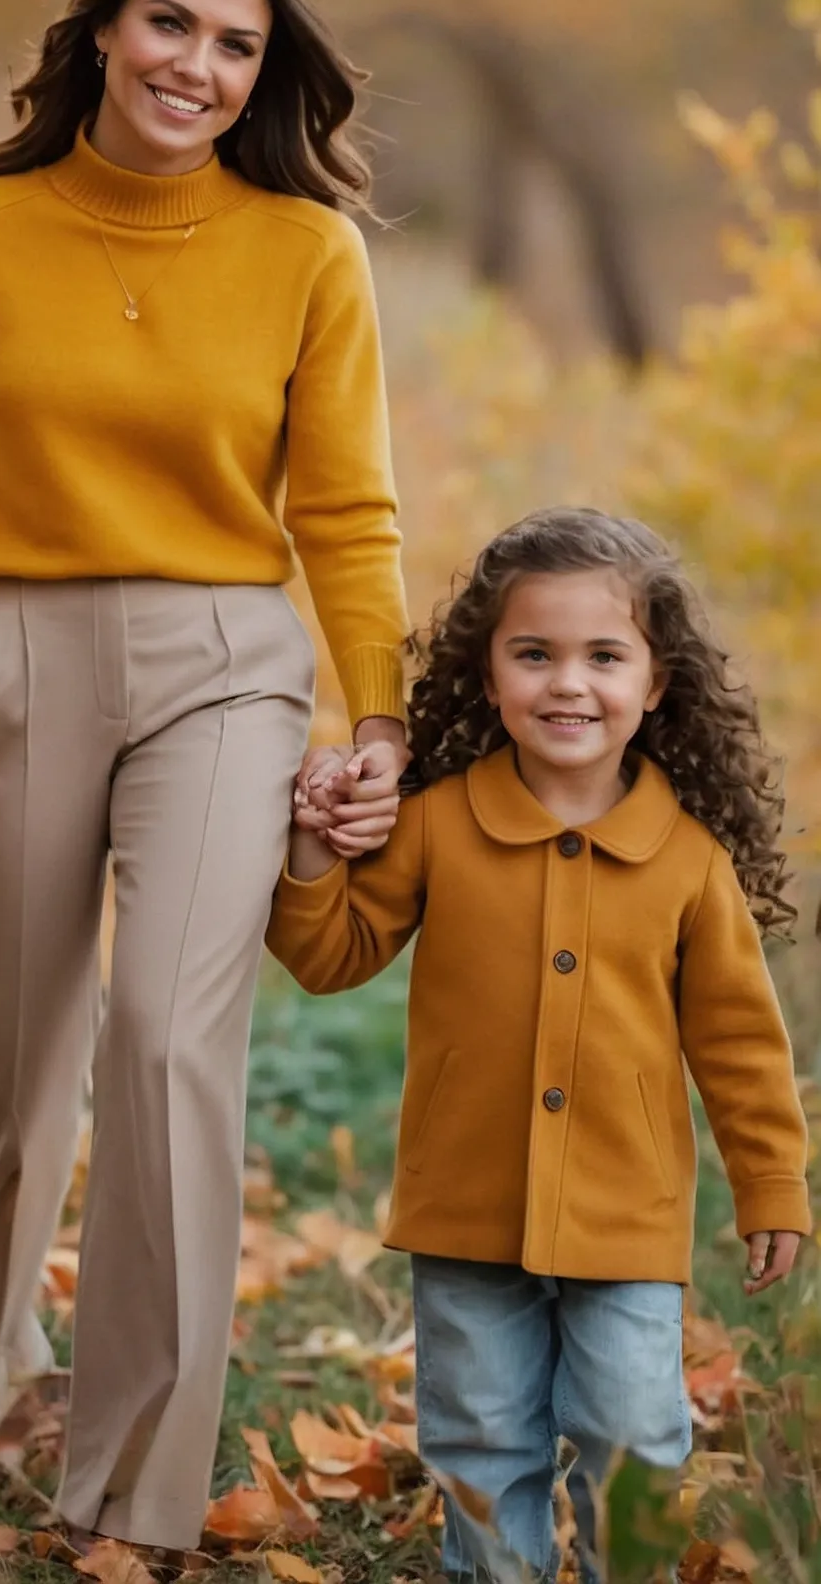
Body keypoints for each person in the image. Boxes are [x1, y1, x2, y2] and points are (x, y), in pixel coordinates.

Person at [0, 0, 410, 1553]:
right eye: (173, 23)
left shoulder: (309, 251)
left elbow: (349, 514)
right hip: (18, 651)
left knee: (168, 1042)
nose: (200, 65)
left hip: (227, 666)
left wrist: (377, 712)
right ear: (102, 26)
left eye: (237, 44)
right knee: (23, 1059)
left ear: (265, 73)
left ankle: (136, 1487)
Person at [267, 507, 811, 1582]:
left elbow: (741, 1044)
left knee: (634, 1444)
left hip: (627, 1212)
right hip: (466, 1208)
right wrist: (309, 849)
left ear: (656, 684)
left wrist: (773, 1185)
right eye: (536, 654)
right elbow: (332, 955)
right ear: (489, 673)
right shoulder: (437, 822)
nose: (569, 683)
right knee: (479, 1441)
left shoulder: (688, 862)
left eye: (604, 656)